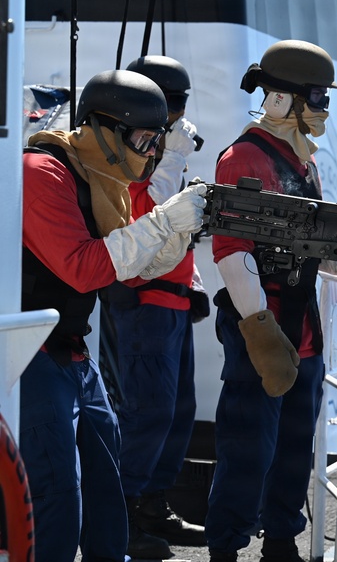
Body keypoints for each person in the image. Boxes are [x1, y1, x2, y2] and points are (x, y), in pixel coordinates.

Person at [20, 69, 207, 562]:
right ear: (105, 129)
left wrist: (178, 232)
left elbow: (131, 266)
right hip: (27, 358)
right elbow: (84, 269)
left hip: (70, 354)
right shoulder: (41, 172)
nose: (150, 153)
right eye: (145, 139)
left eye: (156, 141)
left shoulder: (102, 180)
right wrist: (166, 220)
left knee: (106, 495)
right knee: (57, 500)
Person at [205, 40, 337, 562]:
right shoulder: (244, 157)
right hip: (260, 327)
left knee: (292, 451)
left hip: (301, 326)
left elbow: (319, 238)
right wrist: (260, 329)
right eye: (314, 97)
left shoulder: (302, 162)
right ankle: (225, 548)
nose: (320, 109)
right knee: (246, 449)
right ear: (281, 100)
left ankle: (281, 541)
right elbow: (231, 249)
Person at [101, 55, 208, 559]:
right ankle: (122, 515)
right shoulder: (135, 153)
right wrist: (172, 156)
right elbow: (148, 215)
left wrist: (196, 282)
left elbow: (178, 224)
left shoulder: (161, 151)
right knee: (147, 412)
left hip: (171, 299)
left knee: (176, 411)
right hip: (143, 301)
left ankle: (151, 505)